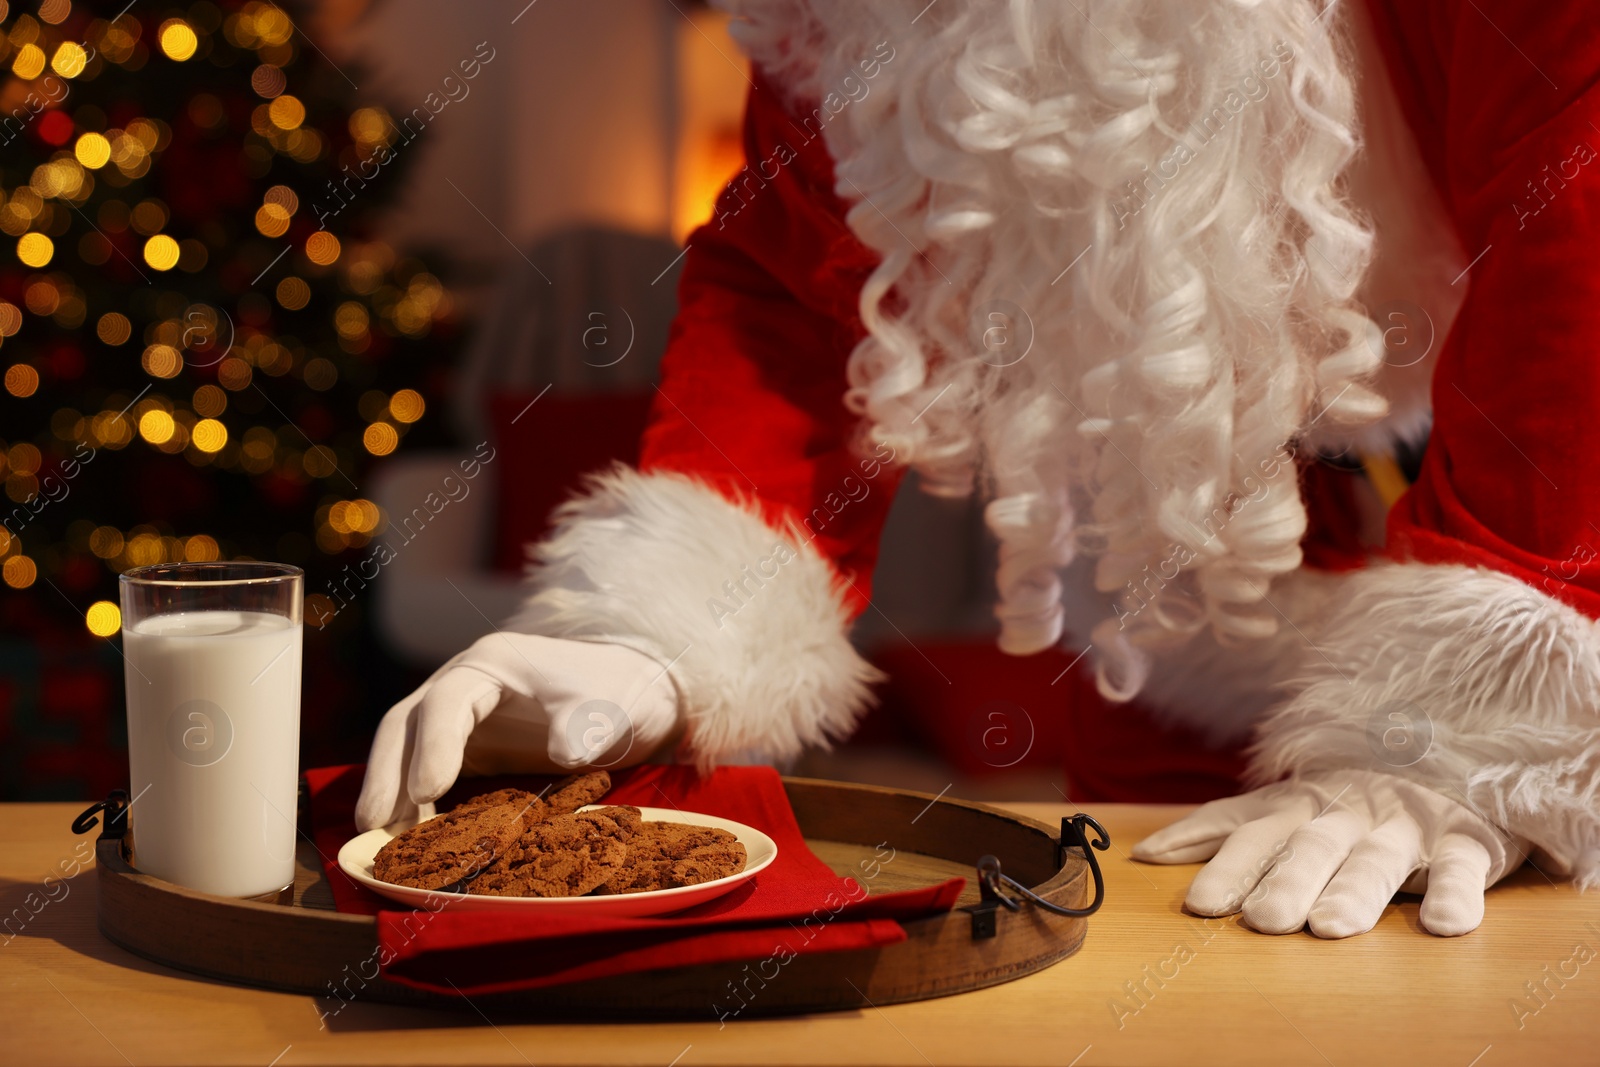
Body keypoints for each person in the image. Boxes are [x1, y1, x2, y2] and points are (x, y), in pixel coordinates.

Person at [357, 0, 1600, 939]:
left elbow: (1575, 203)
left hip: (1532, 532)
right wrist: (651, 636)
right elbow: (797, 276)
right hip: (1178, 564)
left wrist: (1467, 733)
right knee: (1156, 954)